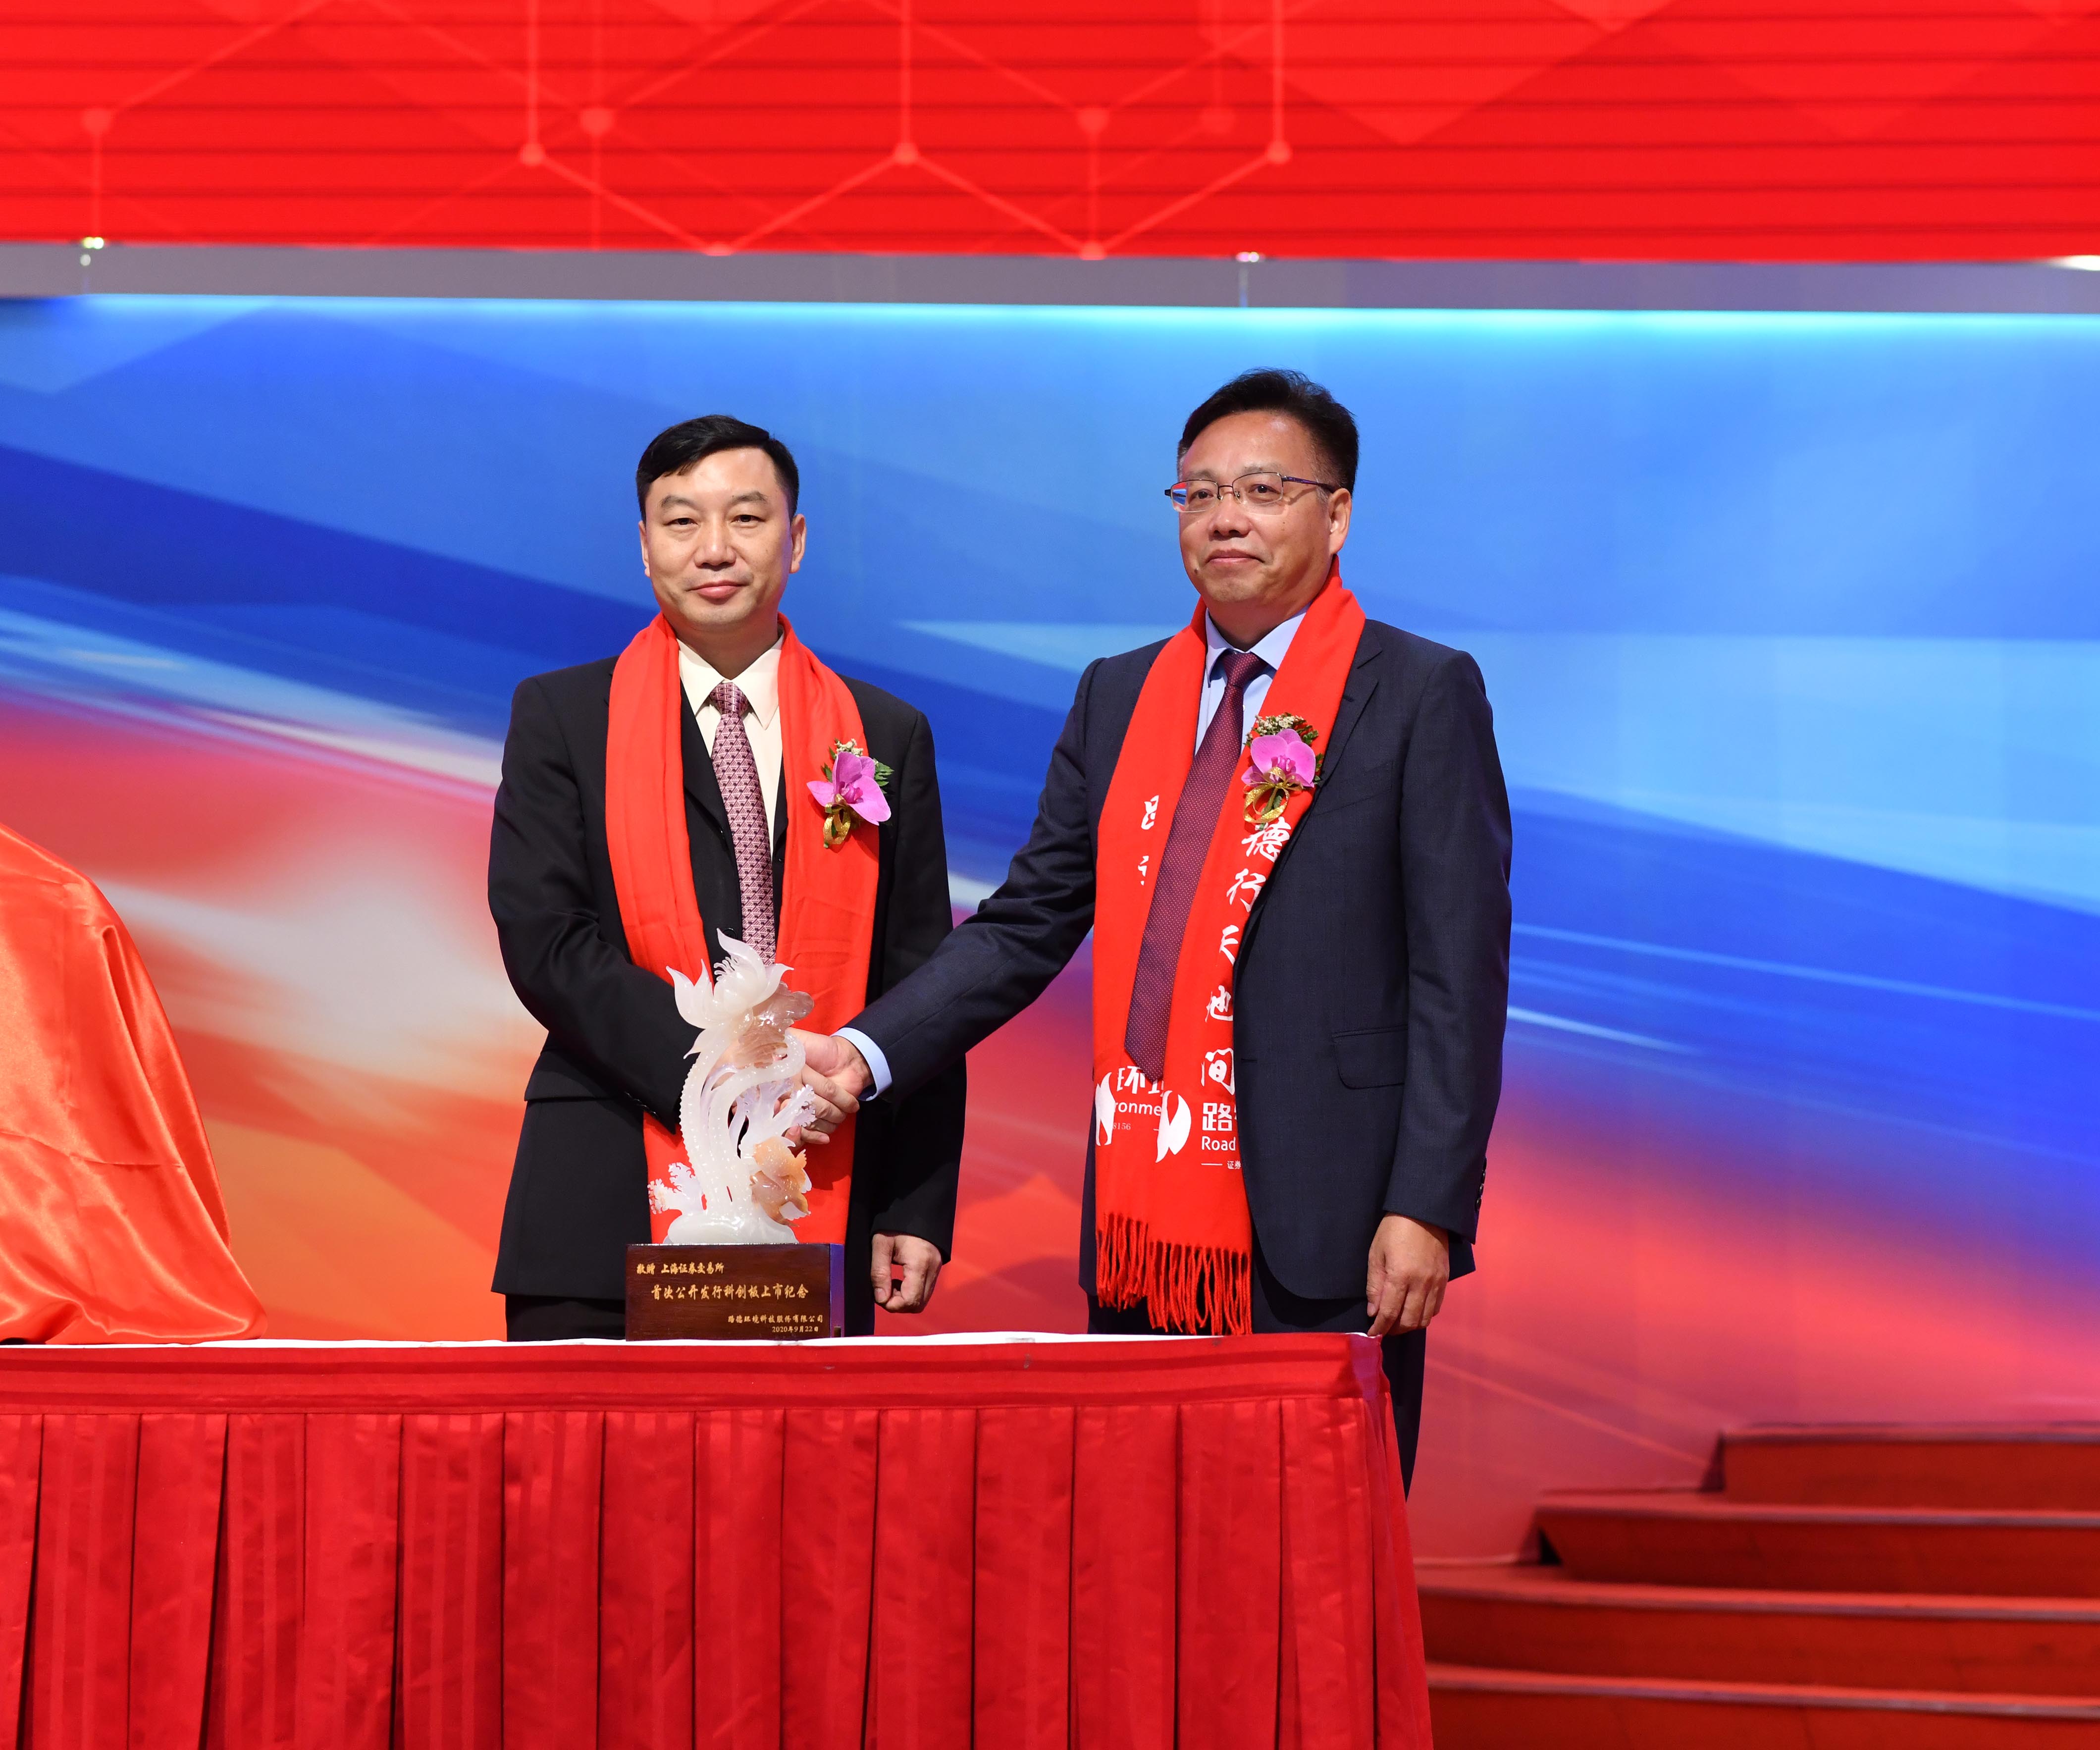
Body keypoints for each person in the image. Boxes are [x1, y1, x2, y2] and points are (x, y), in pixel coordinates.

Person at [799, 370, 1509, 1481]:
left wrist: (1426, 1205)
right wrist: (865, 1049)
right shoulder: (1120, 694)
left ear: (1336, 516)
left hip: (1336, 1221)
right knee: (1152, 1535)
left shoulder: (1418, 691)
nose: (1226, 518)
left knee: (1318, 1542)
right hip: (1145, 1217)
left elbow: (1458, 976)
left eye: (1264, 490)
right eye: (1199, 493)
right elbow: (1027, 922)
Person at [488, 414, 965, 1338]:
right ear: (644, 545)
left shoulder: (884, 733)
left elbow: (923, 982)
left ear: (796, 538)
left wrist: (914, 1198)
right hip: (602, 1195)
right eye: (681, 521)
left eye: (746, 518)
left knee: (792, 1441)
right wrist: (740, 1075)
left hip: (825, 1177)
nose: (714, 548)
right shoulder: (563, 716)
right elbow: (546, 942)